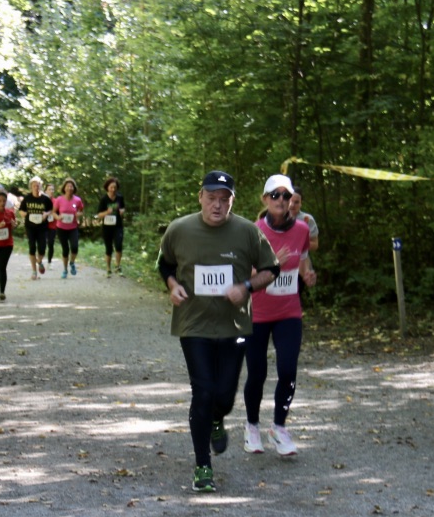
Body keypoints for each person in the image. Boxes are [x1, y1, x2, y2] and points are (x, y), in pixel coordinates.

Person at [156, 170, 280, 493]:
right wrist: (172, 285)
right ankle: (202, 466)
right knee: (203, 391)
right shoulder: (180, 229)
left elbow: (272, 269)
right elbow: (164, 264)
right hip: (193, 323)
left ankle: (216, 418)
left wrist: (247, 287)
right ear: (200, 197)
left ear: (232, 202)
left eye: (224, 200)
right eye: (212, 198)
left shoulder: (247, 232)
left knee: (223, 396)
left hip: (234, 324)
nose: (217, 205)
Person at [243, 174, 316, 458]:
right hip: (258, 313)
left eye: (286, 195)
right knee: (257, 373)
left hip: (289, 311)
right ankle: (252, 426)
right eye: (275, 195)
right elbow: (244, 274)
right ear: (265, 199)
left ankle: (279, 427)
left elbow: (303, 259)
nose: (281, 200)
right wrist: (273, 263)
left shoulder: (302, 229)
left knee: (288, 371)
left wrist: (307, 274)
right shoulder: (253, 232)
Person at [19, 177, 54, 280]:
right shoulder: (27, 198)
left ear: (41, 186)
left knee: (42, 248)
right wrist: (24, 214)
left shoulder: (45, 199)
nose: (36, 187)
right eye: (34, 186)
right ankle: (34, 271)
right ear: (31, 187)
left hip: (42, 227)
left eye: (38, 185)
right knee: (32, 247)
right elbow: (21, 210)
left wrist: (46, 214)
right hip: (30, 226)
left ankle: (39, 261)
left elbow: (51, 210)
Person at [52, 178, 84, 278]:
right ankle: (65, 270)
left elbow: (81, 210)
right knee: (65, 249)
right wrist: (58, 217)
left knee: (74, 247)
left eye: (71, 186)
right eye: (68, 186)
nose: (70, 188)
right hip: (61, 228)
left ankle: (72, 262)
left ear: (74, 188)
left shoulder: (77, 200)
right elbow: (53, 212)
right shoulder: (59, 200)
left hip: (73, 227)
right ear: (64, 188)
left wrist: (78, 214)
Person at [97, 177, 126, 277]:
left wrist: (122, 211)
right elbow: (99, 215)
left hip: (118, 226)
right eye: (111, 187)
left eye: (115, 187)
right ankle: (108, 268)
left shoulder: (120, 197)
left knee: (119, 245)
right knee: (108, 248)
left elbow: (123, 208)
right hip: (107, 227)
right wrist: (107, 212)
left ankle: (118, 266)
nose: (113, 189)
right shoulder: (104, 199)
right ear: (107, 188)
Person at [43, 181, 58, 265]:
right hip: (43, 225)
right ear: (45, 191)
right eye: (49, 189)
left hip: (52, 225)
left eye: (52, 189)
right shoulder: (42, 200)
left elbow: (58, 212)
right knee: (42, 243)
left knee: (51, 243)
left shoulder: (56, 201)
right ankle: (40, 259)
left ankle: (49, 262)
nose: (51, 191)